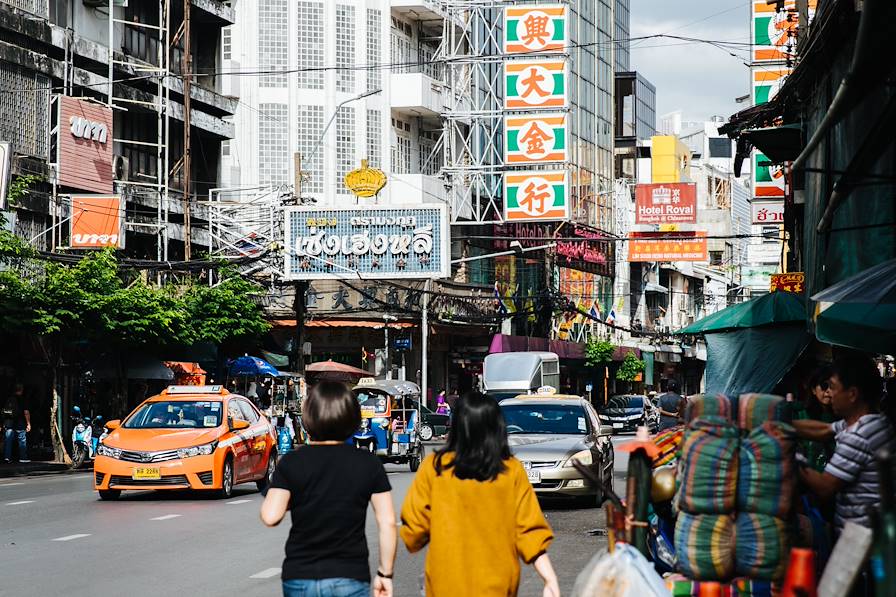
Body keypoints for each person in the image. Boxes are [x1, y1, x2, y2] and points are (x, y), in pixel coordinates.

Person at [400, 391, 559, 596]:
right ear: (497, 428)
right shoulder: (510, 470)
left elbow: (413, 528)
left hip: (445, 583)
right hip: (497, 584)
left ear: (457, 427)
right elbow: (529, 531)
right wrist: (549, 578)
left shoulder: (435, 467)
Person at [260, 381, 396, 597]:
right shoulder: (368, 463)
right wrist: (385, 574)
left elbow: (270, 516)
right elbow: (388, 523)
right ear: (352, 418)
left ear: (309, 417)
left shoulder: (292, 462)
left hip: (300, 576)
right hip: (350, 575)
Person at [795, 355, 896, 531]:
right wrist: (784, 426)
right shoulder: (873, 421)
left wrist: (792, 456)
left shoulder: (858, 435)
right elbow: (824, 430)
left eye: (833, 387)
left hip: (863, 537)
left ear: (852, 394)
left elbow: (825, 487)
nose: (830, 394)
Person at [3, 383, 30, 463]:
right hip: (20, 423)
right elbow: (26, 412)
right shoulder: (23, 399)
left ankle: (7, 457)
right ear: (22, 390)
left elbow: (4, 411)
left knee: (8, 440)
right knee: (22, 440)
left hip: (9, 423)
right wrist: (28, 423)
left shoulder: (8, 399)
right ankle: (23, 458)